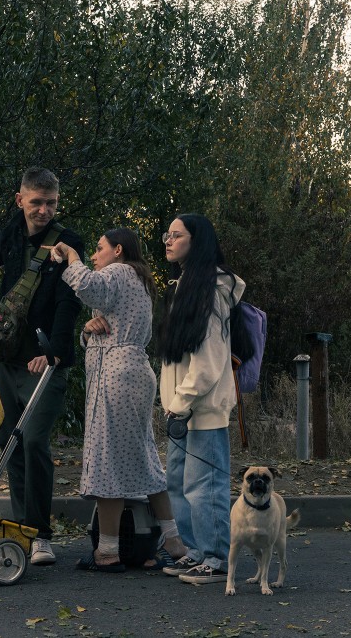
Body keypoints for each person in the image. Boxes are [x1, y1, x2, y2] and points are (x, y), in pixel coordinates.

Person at [45, 229, 188, 573]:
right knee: (143, 457)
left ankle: (107, 552)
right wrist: (86, 330)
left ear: (118, 250)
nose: (94, 256)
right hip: (134, 372)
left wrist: (72, 256)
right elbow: (109, 320)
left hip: (116, 375)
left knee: (107, 457)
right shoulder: (136, 279)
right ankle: (173, 540)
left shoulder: (118, 272)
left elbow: (88, 286)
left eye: (98, 249)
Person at [0, 167, 84, 565]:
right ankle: (20, 531)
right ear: (21, 201)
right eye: (36, 202)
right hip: (5, 361)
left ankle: (41, 535)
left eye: (50, 203)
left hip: (45, 362)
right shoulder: (8, 235)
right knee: (10, 445)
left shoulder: (68, 241)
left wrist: (55, 352)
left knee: (33, 440)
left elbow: (70, 302)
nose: (44, 210)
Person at [155, 213, 245, 585]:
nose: (168, 241)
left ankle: (217, 557)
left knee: (203, 485)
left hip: (201, 408)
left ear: (197, 241)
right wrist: (173, 404)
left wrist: (181, 402)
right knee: (178, 482)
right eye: (167, 234)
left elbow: (210, 361)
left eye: (177, 235)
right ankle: (194, 552)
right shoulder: (185, 286)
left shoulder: (210, 290)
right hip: (181, 408)